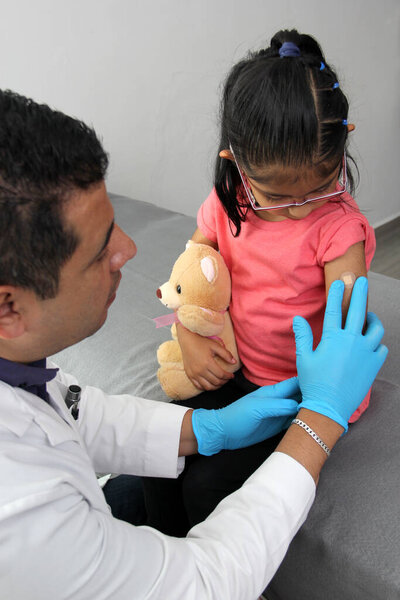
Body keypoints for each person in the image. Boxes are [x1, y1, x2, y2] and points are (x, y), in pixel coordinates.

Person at [0, 88, 387, 600]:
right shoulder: (24, 514)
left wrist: (205, 430)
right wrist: (319, 421)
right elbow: (205, 584)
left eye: (116, 223)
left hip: (278, 377)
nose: (130, 250)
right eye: (99, 251)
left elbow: (70, 412)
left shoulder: (19, 380)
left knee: (167, 469)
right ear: (8, 309)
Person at [143, 28, 377, 536]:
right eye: (276, 193)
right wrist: (187, 335)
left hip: (299, 391)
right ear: (235, 161)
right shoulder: (231, 198)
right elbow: (193, 268)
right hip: (235, 370)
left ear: (342, 145)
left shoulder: (338, 229)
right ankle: (164, 567)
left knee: (207, 489)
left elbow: (345, 331)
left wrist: (322, 402)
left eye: (319, 187)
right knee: (157, 460)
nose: (299, 207)